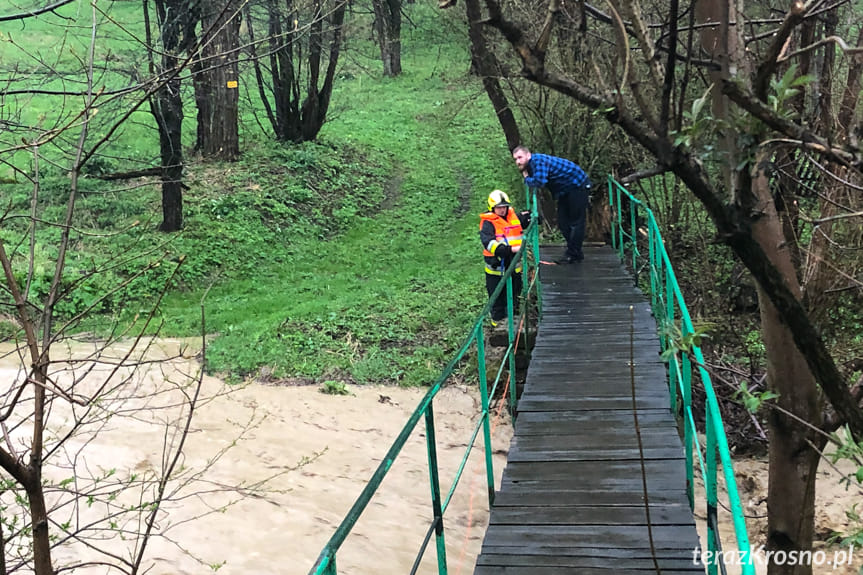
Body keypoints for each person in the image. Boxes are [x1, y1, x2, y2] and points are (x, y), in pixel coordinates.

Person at [512, 145, 591, 264]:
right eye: (515, 159)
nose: (518, 161)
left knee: (576, 222)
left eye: (520, 157)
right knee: (563, 222)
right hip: (565, 190)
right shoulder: (532, 164)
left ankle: (574, 254)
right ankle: (574, 252)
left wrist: (527, 178)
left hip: (578, 185)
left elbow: (539, 182)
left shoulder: (537, 162)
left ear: (528, 155)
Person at [480, 190, 530, 326]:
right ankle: (497, 327)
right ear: (492, 208)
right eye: (499, 208)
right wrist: (510, 250)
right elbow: (490, 244)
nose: (502, 210)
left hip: (513, 266)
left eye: (504, 207)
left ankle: (513, 324)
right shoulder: (488, 224)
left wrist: (530, 216)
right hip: (496, 269)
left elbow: (517, 224)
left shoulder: (512, 217)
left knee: (514, 296)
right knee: (497, 299)